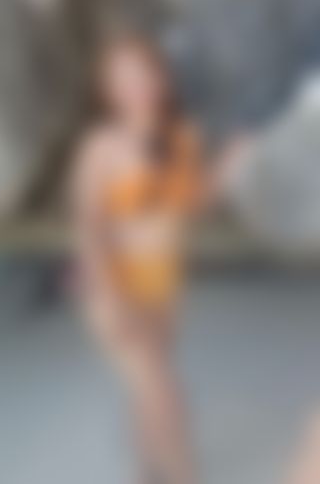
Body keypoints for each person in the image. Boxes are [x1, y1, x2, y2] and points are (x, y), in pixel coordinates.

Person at [70, 31, 244, 484]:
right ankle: (183, 475)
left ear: (161, 79)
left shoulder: (182, 139)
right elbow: (89, 228)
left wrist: (227, 168)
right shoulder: (100, 147)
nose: (138, 86)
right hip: (114, 283)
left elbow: (192, 203)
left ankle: (147, 471)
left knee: (148, 391)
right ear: (107, 89)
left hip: (164, 286)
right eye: (123, 78)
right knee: (166, 394)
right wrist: (110, 295)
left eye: (144, 74)